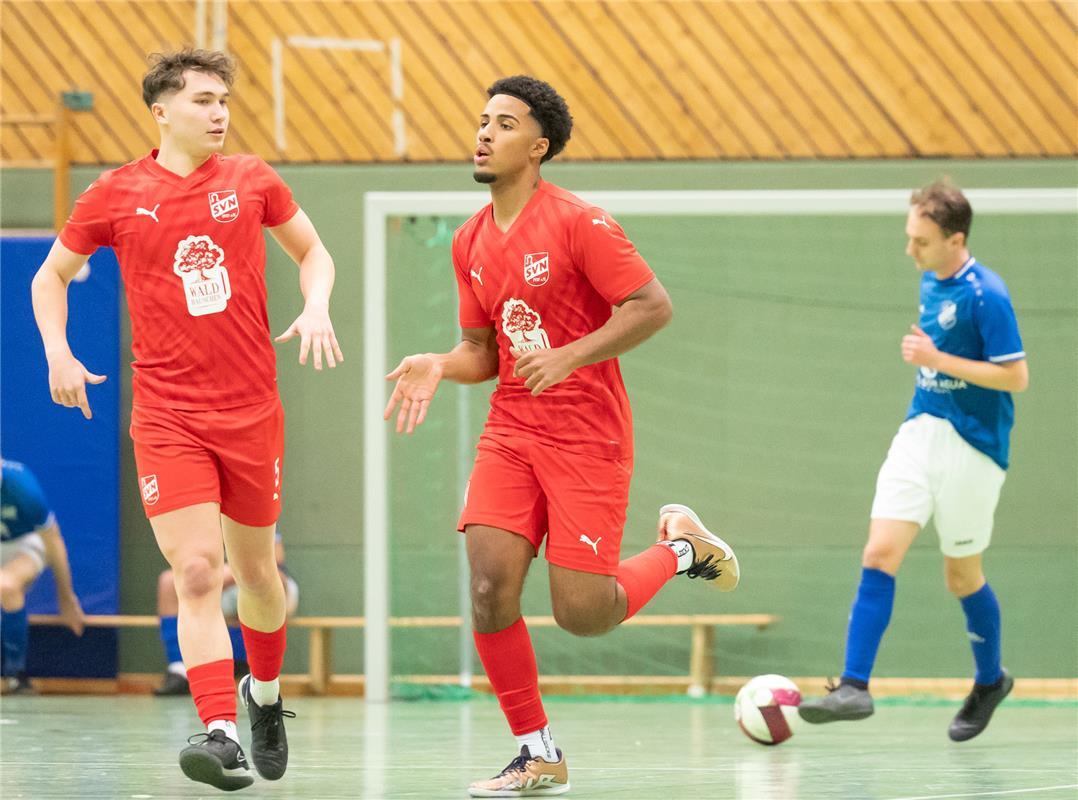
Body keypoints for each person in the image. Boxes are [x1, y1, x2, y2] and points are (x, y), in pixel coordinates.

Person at [384, 75, 740, 797]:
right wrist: (439, 364)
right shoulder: (468, 242)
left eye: (504, 124)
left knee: (583, 615)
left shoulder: (581, 222)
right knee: (488, 587)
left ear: (538, 147)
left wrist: (571, 355)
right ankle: (537, 751)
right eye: (482, 120)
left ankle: (682, 550)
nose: (484, 133)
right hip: (511, 429)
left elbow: (651, 305)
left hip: (587, 435)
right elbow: (483, 354)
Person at [31, 48, 343, 791]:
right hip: (168, 416)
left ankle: (263, 698)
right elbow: (50, 277)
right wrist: (58, 353)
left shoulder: (252, 179)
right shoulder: (114, 194)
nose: (219, 112)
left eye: (224, 100)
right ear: (161, 111)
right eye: (203, 100)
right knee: (198, 572)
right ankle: (220, 732)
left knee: (258, 575)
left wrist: (318, 302)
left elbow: (314, 252)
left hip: (252, 411)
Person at [798, 180, 1028, 742]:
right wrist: (933, 365)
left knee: (961, 577)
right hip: (920, 432)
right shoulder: (930, 280)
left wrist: (935, 356)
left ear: (956, 238)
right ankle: (854, 686)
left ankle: (990, 680)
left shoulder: (988, 296)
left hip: (974, 448)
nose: (911, 251)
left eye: (921, 241)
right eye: (910, 238)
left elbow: (1016, 377)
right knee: (879, 553)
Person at [155, 531, 299, 696]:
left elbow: (275, 560)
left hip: (260, 578)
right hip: (216, 582)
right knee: (168, 581)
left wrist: (231, 573)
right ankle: (179, 669)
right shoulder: (197, 515)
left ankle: (254, 668)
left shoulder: (252, 509)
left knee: (267, 576)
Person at [1, 458, 87, 694]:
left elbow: (54, 542)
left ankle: (15, 674)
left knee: (6, 586)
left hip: (24, 544)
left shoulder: (21, 485)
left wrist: (66, 597)